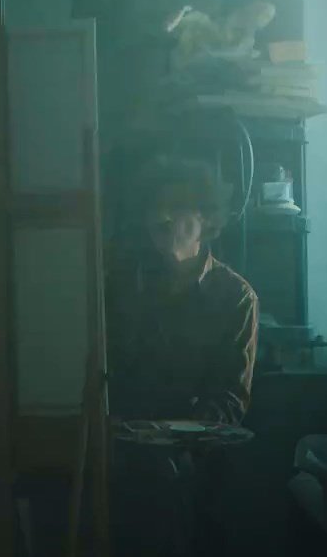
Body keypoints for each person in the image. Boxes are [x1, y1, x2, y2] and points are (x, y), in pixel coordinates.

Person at [107, 156, 258, 426]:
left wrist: (177, 431)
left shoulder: (235, 297)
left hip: (197, 444)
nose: (161, 217)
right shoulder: (124, 286)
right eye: (155, 207)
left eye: (177, 207)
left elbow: (230, 398)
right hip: (125, 439)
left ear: (207, 218)